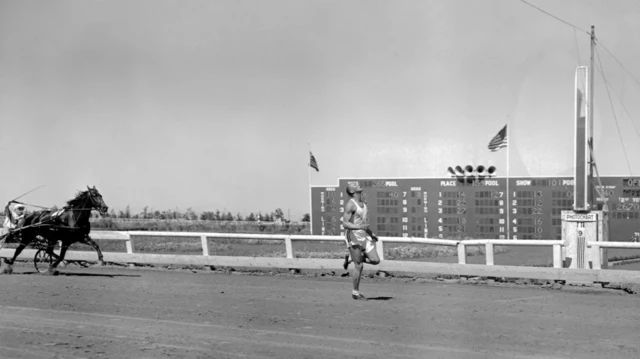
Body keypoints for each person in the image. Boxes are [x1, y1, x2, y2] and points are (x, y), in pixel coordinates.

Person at [341, 182, 380, 300]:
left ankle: (352, 257)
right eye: (354, 184)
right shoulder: (350, 205)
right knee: (359, 266)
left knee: (375, 260)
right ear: (352, 191)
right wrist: (359, 228)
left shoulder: (363, 204)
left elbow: (363, 223)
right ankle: (355, 293)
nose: (357, 184)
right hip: (353, 236)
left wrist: (370, 233)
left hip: (363, 235)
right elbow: (345, 223)